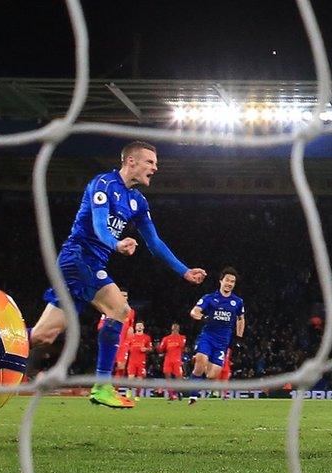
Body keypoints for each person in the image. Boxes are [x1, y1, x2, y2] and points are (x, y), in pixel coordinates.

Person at [27, 141, 206, 408]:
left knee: (43, 336)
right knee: (120, 310)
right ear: (130, 161)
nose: (155, 168)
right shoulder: (104, 184)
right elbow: (100, 226)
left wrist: (184, 271)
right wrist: (116, 244)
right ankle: (102, 385)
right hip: (78, 258)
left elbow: (154, 243)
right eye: (150, 162)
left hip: (87, 264)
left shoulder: (138, 201)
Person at [188, 267, 245, 405]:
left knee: (212, 375)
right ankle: (193, 396)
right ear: (221, 281)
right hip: (207, 337)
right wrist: (203, 318)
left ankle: (198, 375)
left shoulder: (237, 302)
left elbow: (241, 319)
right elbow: (194, 312)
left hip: (223, 342)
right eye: (227, 280)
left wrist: (239, 338)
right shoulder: (209, 298)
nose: (229, 283)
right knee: (201, 362)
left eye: (232, 282)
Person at [157, 323, 186, 400]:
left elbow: (182, 347)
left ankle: (178, 392)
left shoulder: (182, 337)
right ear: (171, 328)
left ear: (179, 329)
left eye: (177, 326)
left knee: (179, 377)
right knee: (168, 377)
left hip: (177, 360)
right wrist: (159, 348)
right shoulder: (166, 339)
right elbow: (160, 349)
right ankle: (171, 395)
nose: (175, 327)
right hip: (168, 360)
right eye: (174, 326)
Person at [125, 321, 152, 400]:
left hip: (141, 361)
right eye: (138, 326)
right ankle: (129, 390)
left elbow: (150, 348)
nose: (139, 327)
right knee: (131, 378)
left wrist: (146, 349)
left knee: (140, 379)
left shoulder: (147, 337)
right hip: (132, 361)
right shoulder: (131, 336)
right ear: (135, 327)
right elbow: (126, 347)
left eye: (141, 325)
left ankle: (137, 395)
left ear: (143, 327)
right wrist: (130, 349)